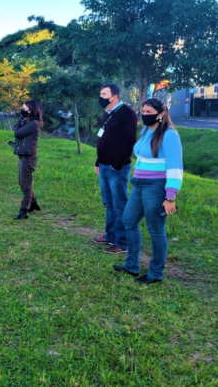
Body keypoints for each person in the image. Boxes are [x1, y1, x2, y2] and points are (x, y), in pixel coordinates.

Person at [113, 98, 183, 284]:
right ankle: (131, 265)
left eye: (149, 112)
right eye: (143, 111)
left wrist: (170, 196)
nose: (144, 115)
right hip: (139, 184)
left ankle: (156, 273)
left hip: (156, 187)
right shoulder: (146, 130)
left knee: (156, 229)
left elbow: (175, 167)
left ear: (161, 114)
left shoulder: (169, 135)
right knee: (129, 220)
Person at [93, 83, 138, 253]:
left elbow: (129, 141)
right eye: (101, 94)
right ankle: (110, 235)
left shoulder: (127, 114)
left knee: (119, 204)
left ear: (115, 96)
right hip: (104, 165)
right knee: (109, 203)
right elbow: (103, 138)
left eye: (104, 94)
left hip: (117, 168)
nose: (101, 97)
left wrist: (117, 163)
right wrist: (98, 161)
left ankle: (122, 241)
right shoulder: (108, 113)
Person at [12, 100, 42, 220]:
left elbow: (17, 133)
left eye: (24, 108)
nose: (22, 110)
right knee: (23, 183)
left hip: (28, 158)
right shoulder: (28, 121)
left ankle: (23, 211)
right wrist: (22, 119)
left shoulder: (33, 123)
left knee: (25, 185)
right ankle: (33, 203)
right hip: (23, 156)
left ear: (30, 110)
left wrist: (20, 119)